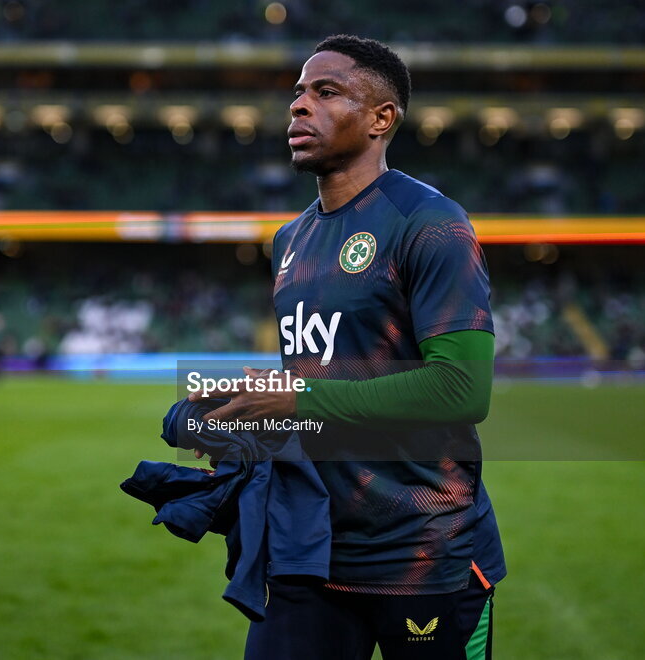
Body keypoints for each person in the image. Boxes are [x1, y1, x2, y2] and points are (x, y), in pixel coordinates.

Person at [189, 35, 504, 659]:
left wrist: (295, 395)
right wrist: (248, 422)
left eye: (325, 92)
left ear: (382, 118)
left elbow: (462, 390)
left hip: (423, 549)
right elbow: (318, 384)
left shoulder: (431, 224)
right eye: (298, 94)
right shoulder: (289, 240)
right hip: (309, 544)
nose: (299, 107)